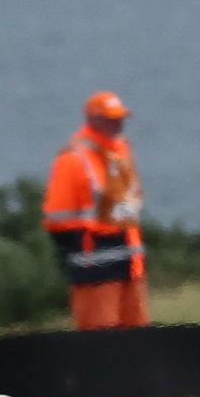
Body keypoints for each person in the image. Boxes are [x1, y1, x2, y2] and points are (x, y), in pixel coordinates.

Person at [41, 91, 149, 330]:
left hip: (131, 265)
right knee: (101, 350)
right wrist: (85, 249)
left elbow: (128, 208)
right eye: (112, 118)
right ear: (94, 120)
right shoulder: (73, 158)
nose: (118, 123)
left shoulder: (120, 151)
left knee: (139, 346)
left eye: (120, 117)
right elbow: (56, 220)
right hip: (95, 272)